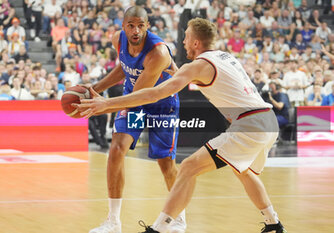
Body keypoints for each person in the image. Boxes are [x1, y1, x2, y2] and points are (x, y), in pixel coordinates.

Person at [75, 18, 287, 233]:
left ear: (195, 43)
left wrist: (106, 104)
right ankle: (274, 224)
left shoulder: (194, 63)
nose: (184, 42)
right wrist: (179, 74)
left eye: (186, 37)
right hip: (267, 120)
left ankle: (158, 228)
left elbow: (154, 93)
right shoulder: (225, 57)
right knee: (243, 171)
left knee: (186, 167)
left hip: (249, 125)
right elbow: (217, 82)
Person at [82, 6, 185, 233]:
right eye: (131, 25)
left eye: (141, 25)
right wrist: (95, 88)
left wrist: (104, 105)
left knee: (165, 162)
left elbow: (139, 95)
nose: (136, 30)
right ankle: (113, 222)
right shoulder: (118, 40)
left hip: (160, 104)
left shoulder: (158, 53)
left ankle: (178, 219)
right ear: (123, 26)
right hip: (134, 100)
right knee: (117, 149)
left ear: (148, 26)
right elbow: (124, 68)